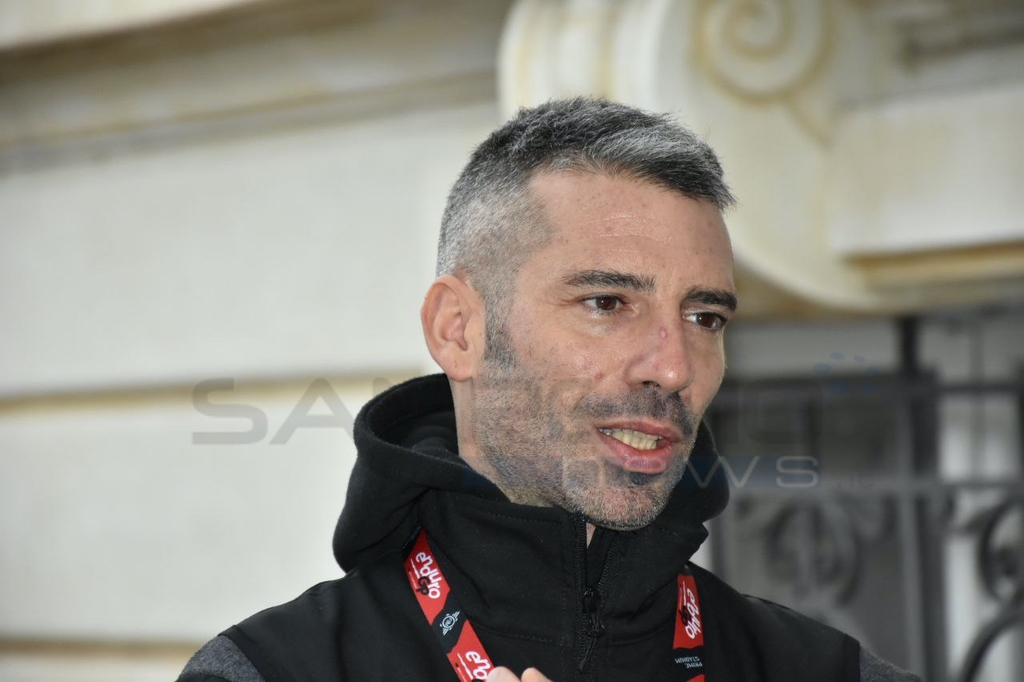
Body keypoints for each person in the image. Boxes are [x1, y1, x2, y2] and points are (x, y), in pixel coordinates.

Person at [177, 98, 919, 682]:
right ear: (459, 330)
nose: (673, 368)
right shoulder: (273, 670)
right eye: (607, 302)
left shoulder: (824, 669)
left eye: (704, 317)